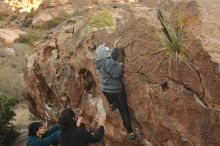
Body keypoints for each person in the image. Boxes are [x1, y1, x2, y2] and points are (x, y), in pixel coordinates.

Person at [94, 44, 137, 140]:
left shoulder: (99, 62)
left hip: (106, 90)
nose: (108, 50)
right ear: (105, 55)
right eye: (107, 50)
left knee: (113, 102)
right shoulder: (108, 62)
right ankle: (131, 133)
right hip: (116, 91)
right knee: (124, 111)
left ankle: (113, 104)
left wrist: (115, 48)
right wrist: (121, 65)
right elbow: (116, 74)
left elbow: (110, 57)